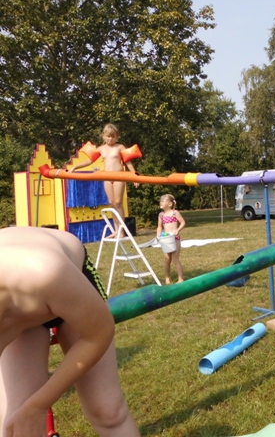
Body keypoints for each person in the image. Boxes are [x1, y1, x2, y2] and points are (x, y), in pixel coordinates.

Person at [0, 226, 139, 436]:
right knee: (13, 420)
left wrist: (38, 405)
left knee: (107, 411)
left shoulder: (46, 273)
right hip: (22, 295)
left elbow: (98, 335)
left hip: (60, 275)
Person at [70, 124, 140, 238]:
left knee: (118, 202)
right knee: (112, 203)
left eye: (113, 136)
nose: (110, 139)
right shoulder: (101, 149)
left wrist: (134, 176)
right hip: (107, 177)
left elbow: (128, 162)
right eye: (108, 136)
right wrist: (75, 167)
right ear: (103, 136)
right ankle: (116, 230)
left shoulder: (120, 147)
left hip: (119, 176)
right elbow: (89, 161)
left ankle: (121, 231)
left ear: (117, 137)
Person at [157, 194, 186, 285]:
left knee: (175, 259)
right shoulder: (161, 215)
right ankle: (167, 278)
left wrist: (178, 230)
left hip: (175, 238)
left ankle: (180, 278)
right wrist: (158, 233)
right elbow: (159, 227)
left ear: (170, 204)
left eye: (163, 201)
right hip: (166, 239)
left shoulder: (175, 213)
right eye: (160, 201)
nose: (160, 202)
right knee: (167, 259)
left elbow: (183, 222)